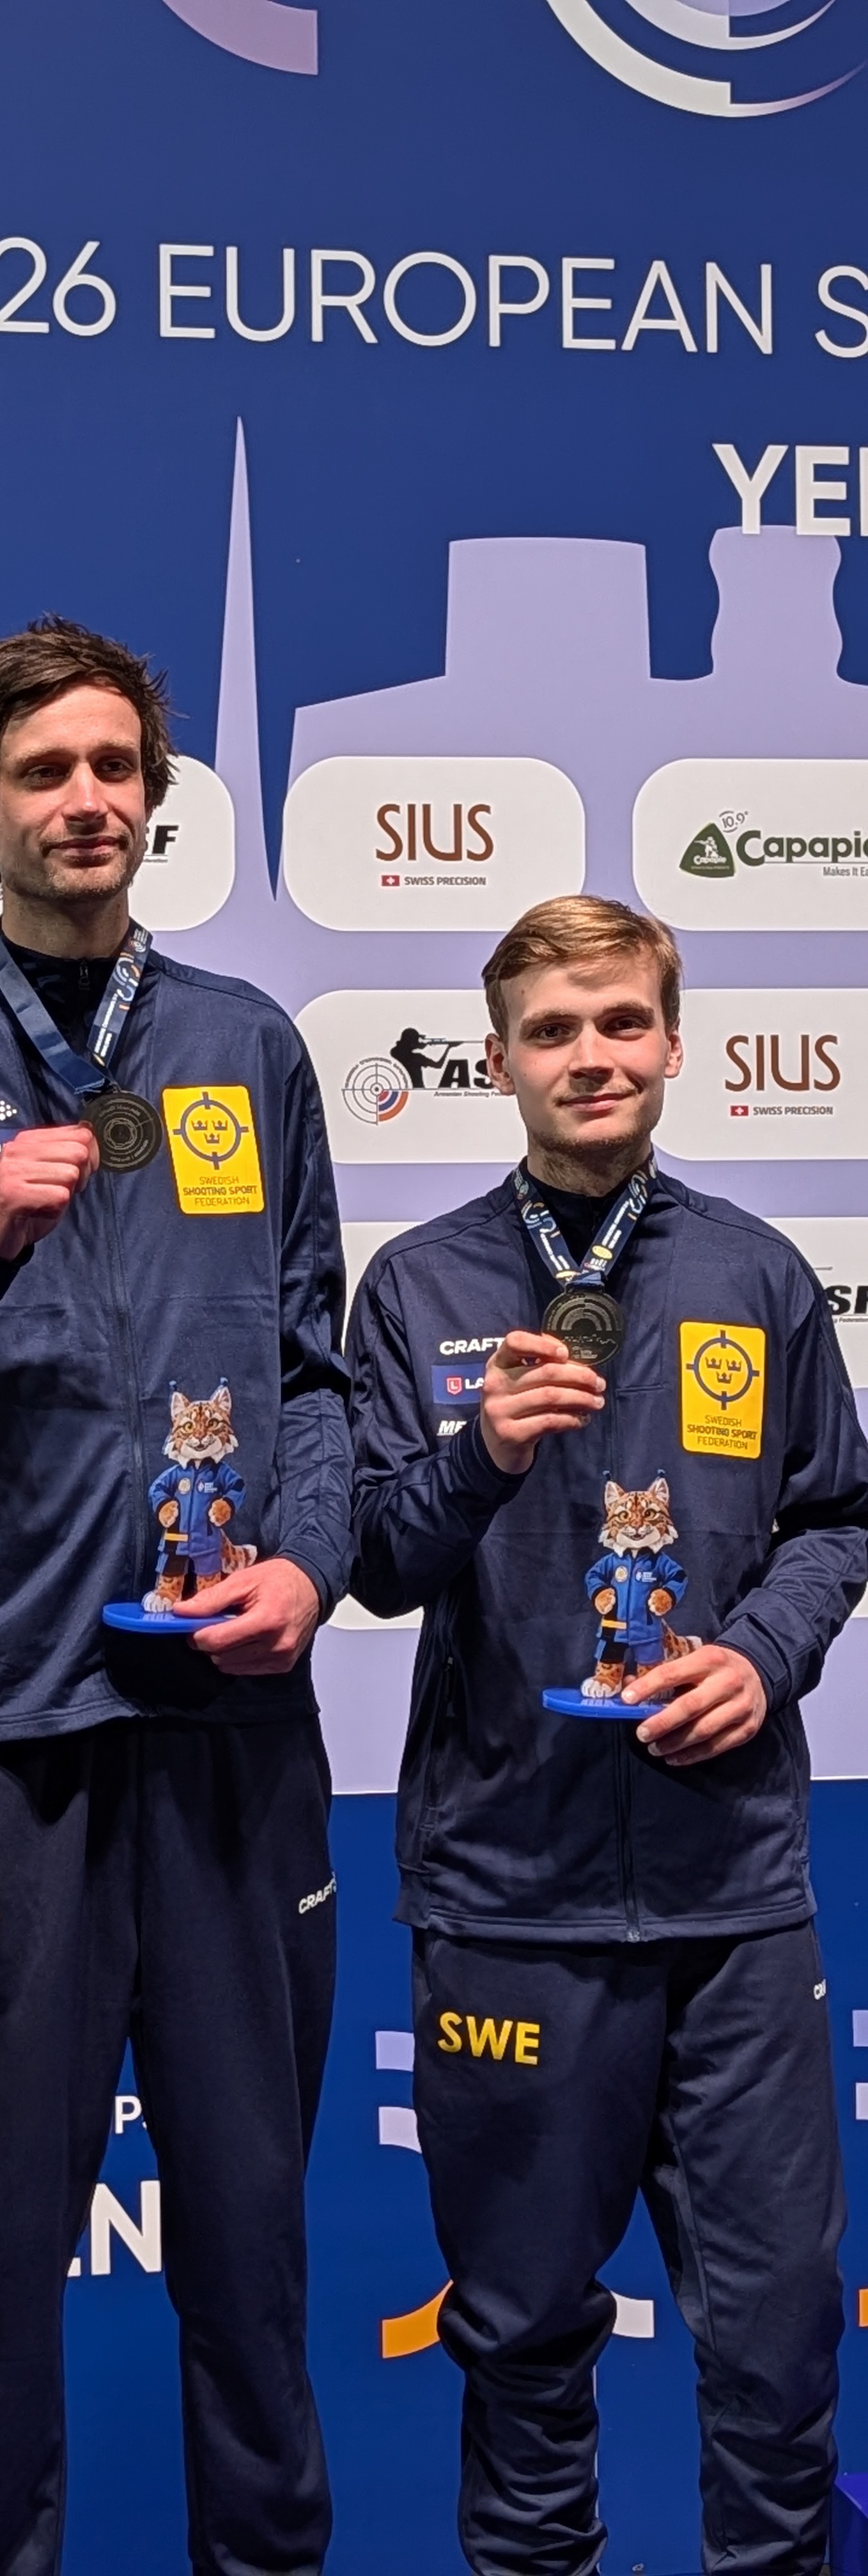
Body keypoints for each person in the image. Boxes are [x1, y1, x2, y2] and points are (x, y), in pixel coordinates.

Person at [0, 617, 352, 2576]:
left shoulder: (244, 1045)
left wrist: (310, 1564)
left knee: (252, 2260)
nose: (87, 799)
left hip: (229, 1734)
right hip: (4, 1733)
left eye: (116, 765)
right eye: (43, 771)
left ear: (157, 795)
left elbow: (316, 1375)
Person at [347, 893, 868, 2576]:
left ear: (671, 1040)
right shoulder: (418, 1284)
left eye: (622, 1021)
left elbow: (835, 1516)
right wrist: (479, 1456)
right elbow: (369, 1561)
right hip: (510, 1897)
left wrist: (762, 1659)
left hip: (731, 1896)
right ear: (498, 1059)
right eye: (554, 1030)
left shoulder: (755, 1273)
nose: (593, 1056)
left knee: (780, 2354)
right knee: (518, 2351)